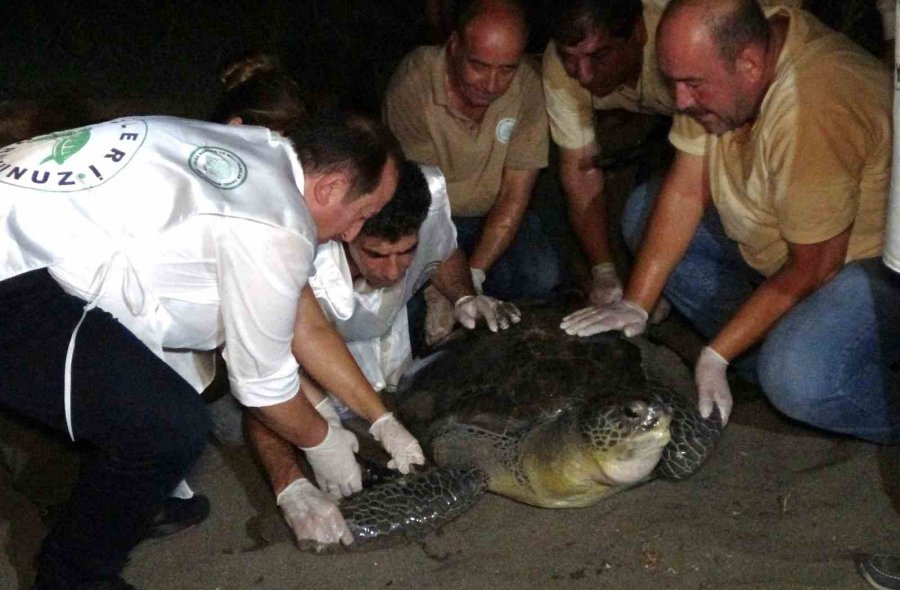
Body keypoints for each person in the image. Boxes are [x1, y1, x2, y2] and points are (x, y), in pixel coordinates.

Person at [0, 111, 425, 589]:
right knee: (168, 426)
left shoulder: (261, 152)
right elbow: (263, 386)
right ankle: (72, 579)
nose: (351, 233)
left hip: (29, 231)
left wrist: (381, 420)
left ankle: (123, 503)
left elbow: (304, 323)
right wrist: (322, 442)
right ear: (330, 188)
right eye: (362, 214)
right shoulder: (276, 222)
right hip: (17, 268)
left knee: (151, 411)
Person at [561, 0, 900, 444]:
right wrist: (636, 304)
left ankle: (804, 374)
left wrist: (715, 355)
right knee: (644, 213)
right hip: (774, 238)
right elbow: (685, 190)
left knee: (798, 376)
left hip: (867, 267)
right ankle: (762, 354)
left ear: (750, 65)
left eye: (692, 84)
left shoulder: (814, 101)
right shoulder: (727, 55)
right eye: (673, 82)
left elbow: (817, 265)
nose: (680, 101)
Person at [246, 161, 521, 547]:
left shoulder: (427, 196)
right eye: (376, 254)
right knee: (251, 414)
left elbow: (443, 250)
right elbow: (264, 367)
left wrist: (463, 296)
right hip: (276, 336)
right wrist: (292, 480)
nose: (393, 271)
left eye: (406, 251)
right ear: (347, 232)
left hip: (381, 326)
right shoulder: (290, 244)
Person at [383, 0, 559, 307]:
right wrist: (456, 287)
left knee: (542, 275)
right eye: (478, 66)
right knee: (406, 300)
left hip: (494, 217)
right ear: (454, 46)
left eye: (506, 70)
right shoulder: (414, 85)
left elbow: (515, 194)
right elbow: (421, 199)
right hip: (430, 217)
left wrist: (473, 276)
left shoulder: (528, 87)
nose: (491, 85)